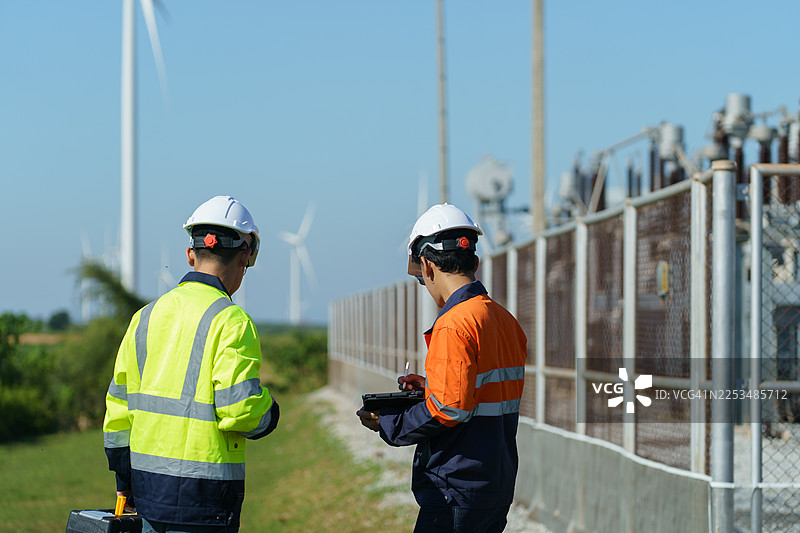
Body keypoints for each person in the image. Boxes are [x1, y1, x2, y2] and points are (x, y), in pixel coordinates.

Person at [103, 195, 280, 533]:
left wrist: (124, 478)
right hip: (206, 501)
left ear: (190, 254)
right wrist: (269, 413)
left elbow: (117, 412)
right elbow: (240, 409)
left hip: (147, 495)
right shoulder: (231, 320)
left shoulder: (144, 317)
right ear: (245, 255)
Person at [357, 203, 528, 533]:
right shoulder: (505, 321)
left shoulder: (453, 325)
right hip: (496, 482)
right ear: (474, 262)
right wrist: (429, 386)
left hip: (456, 488)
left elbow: (449, 407)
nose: (425, 284)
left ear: (426, 265)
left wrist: (390, 424)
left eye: (421, 278)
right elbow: (483, 391)